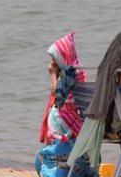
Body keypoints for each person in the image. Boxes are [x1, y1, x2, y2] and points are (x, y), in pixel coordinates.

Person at [35, 32, 95, 177]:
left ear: (61, 58)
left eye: (53, 59)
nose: (51, 63)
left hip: (67, 132)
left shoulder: (68, 76)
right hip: (78, 133)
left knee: (42, 159)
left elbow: (58, 96)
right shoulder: (78, 72)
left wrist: (52, 74)